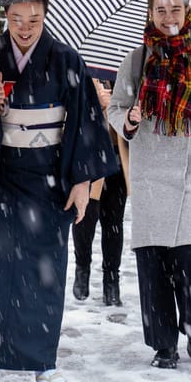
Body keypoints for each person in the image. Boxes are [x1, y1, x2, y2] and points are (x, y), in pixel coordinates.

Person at [0, 0, 119, 382]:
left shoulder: (65, 60)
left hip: (49, 181)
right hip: (1, 177)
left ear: (45, 17)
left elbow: (86, 122)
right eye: (16, 20)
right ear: (5, 17)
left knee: (44, 274)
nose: (25, 29)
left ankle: (44, 361)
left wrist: (82, 182)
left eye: (34, 20)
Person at [107, 0, 191, 369]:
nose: (168, 18)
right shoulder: (135, 61)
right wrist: (128, 119)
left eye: (175, 9)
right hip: (149, 172)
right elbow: (116, 109)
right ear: (150, 14)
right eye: (160, 11)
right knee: (154, 261)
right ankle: (164, 345)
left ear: (186, 12)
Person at [72, 78, 128, 306]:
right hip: (91, 154)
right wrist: (96, 103)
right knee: (85, 216)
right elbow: (70, 106)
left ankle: (111, 280)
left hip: (118, 154)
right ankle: (82, 266)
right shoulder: (83, 65)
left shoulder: (130, 68)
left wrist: (118, 105)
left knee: (114, 221)